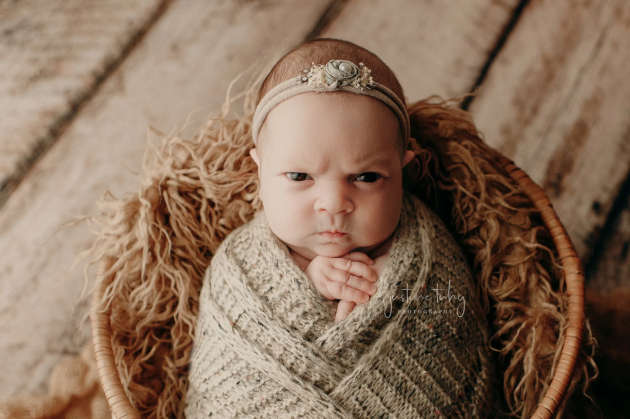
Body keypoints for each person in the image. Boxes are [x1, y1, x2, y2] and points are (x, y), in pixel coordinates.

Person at [184, 38, 495, 418]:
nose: (333, 202)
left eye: (365, 177)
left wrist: (394, 296)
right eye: (300, 176)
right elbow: (226, 354)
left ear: (403, 169)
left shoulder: (430, 254)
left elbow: (452, 318)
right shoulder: (239, 264)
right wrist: (305, 280)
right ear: (260, 171)